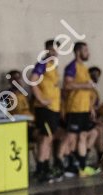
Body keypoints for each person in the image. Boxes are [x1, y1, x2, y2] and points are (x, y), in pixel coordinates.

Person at [62, 42, 98, 177]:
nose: (88, 53)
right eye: (85, 50)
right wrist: (84, 85)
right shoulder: (72, 66)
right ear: (78, 52)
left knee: (83, 136)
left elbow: (88, 91)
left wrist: (90, 107)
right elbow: (67, 85)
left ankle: (82, 166)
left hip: (84, 109)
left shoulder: (84, 68)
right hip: (74, 108)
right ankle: (68, 166)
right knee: (71, 138)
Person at [29, 39, 63, 183]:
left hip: (53, 108)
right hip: (45, 109)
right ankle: (40, 169)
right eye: (52, 49)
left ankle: (46, 167)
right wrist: (41, 99)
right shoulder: (42, 64)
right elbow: (33, 81)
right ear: (47, 50)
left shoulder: (53, 66)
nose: (54, 52)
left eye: (56, 49)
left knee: (49, 138)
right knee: (45, 138)